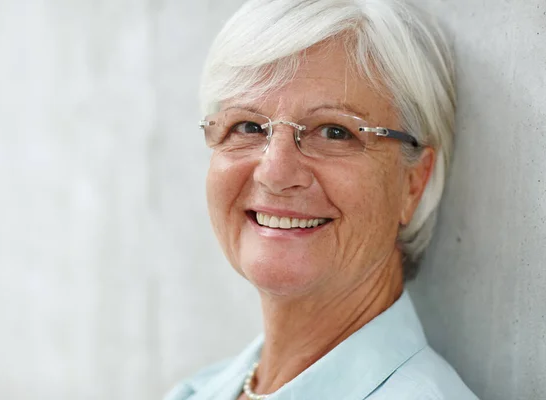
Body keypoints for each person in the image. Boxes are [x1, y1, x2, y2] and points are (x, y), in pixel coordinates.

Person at [166, 0, 478, 398]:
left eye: (334, 132)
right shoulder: (196, 392)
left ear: (413, 183)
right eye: (247, 125)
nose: (275, 173)